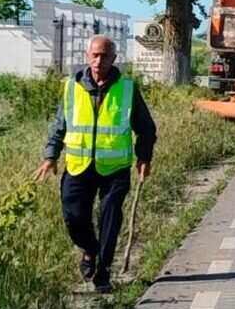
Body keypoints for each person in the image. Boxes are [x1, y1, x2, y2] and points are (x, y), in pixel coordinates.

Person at [33, 35, 155, 292]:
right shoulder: (71, 87)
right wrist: (50, 156)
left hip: (115, 169)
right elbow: (60, 126)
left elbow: (146, 127)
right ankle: (89, 249)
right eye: (95, 55)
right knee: (74, 218)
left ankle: (103, 273)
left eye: (105, 56)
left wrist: (144, 157)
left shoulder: (127, 89)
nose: (99, 61)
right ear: (88, 56)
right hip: (78, 166)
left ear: (114, 58)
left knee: (110, 218)